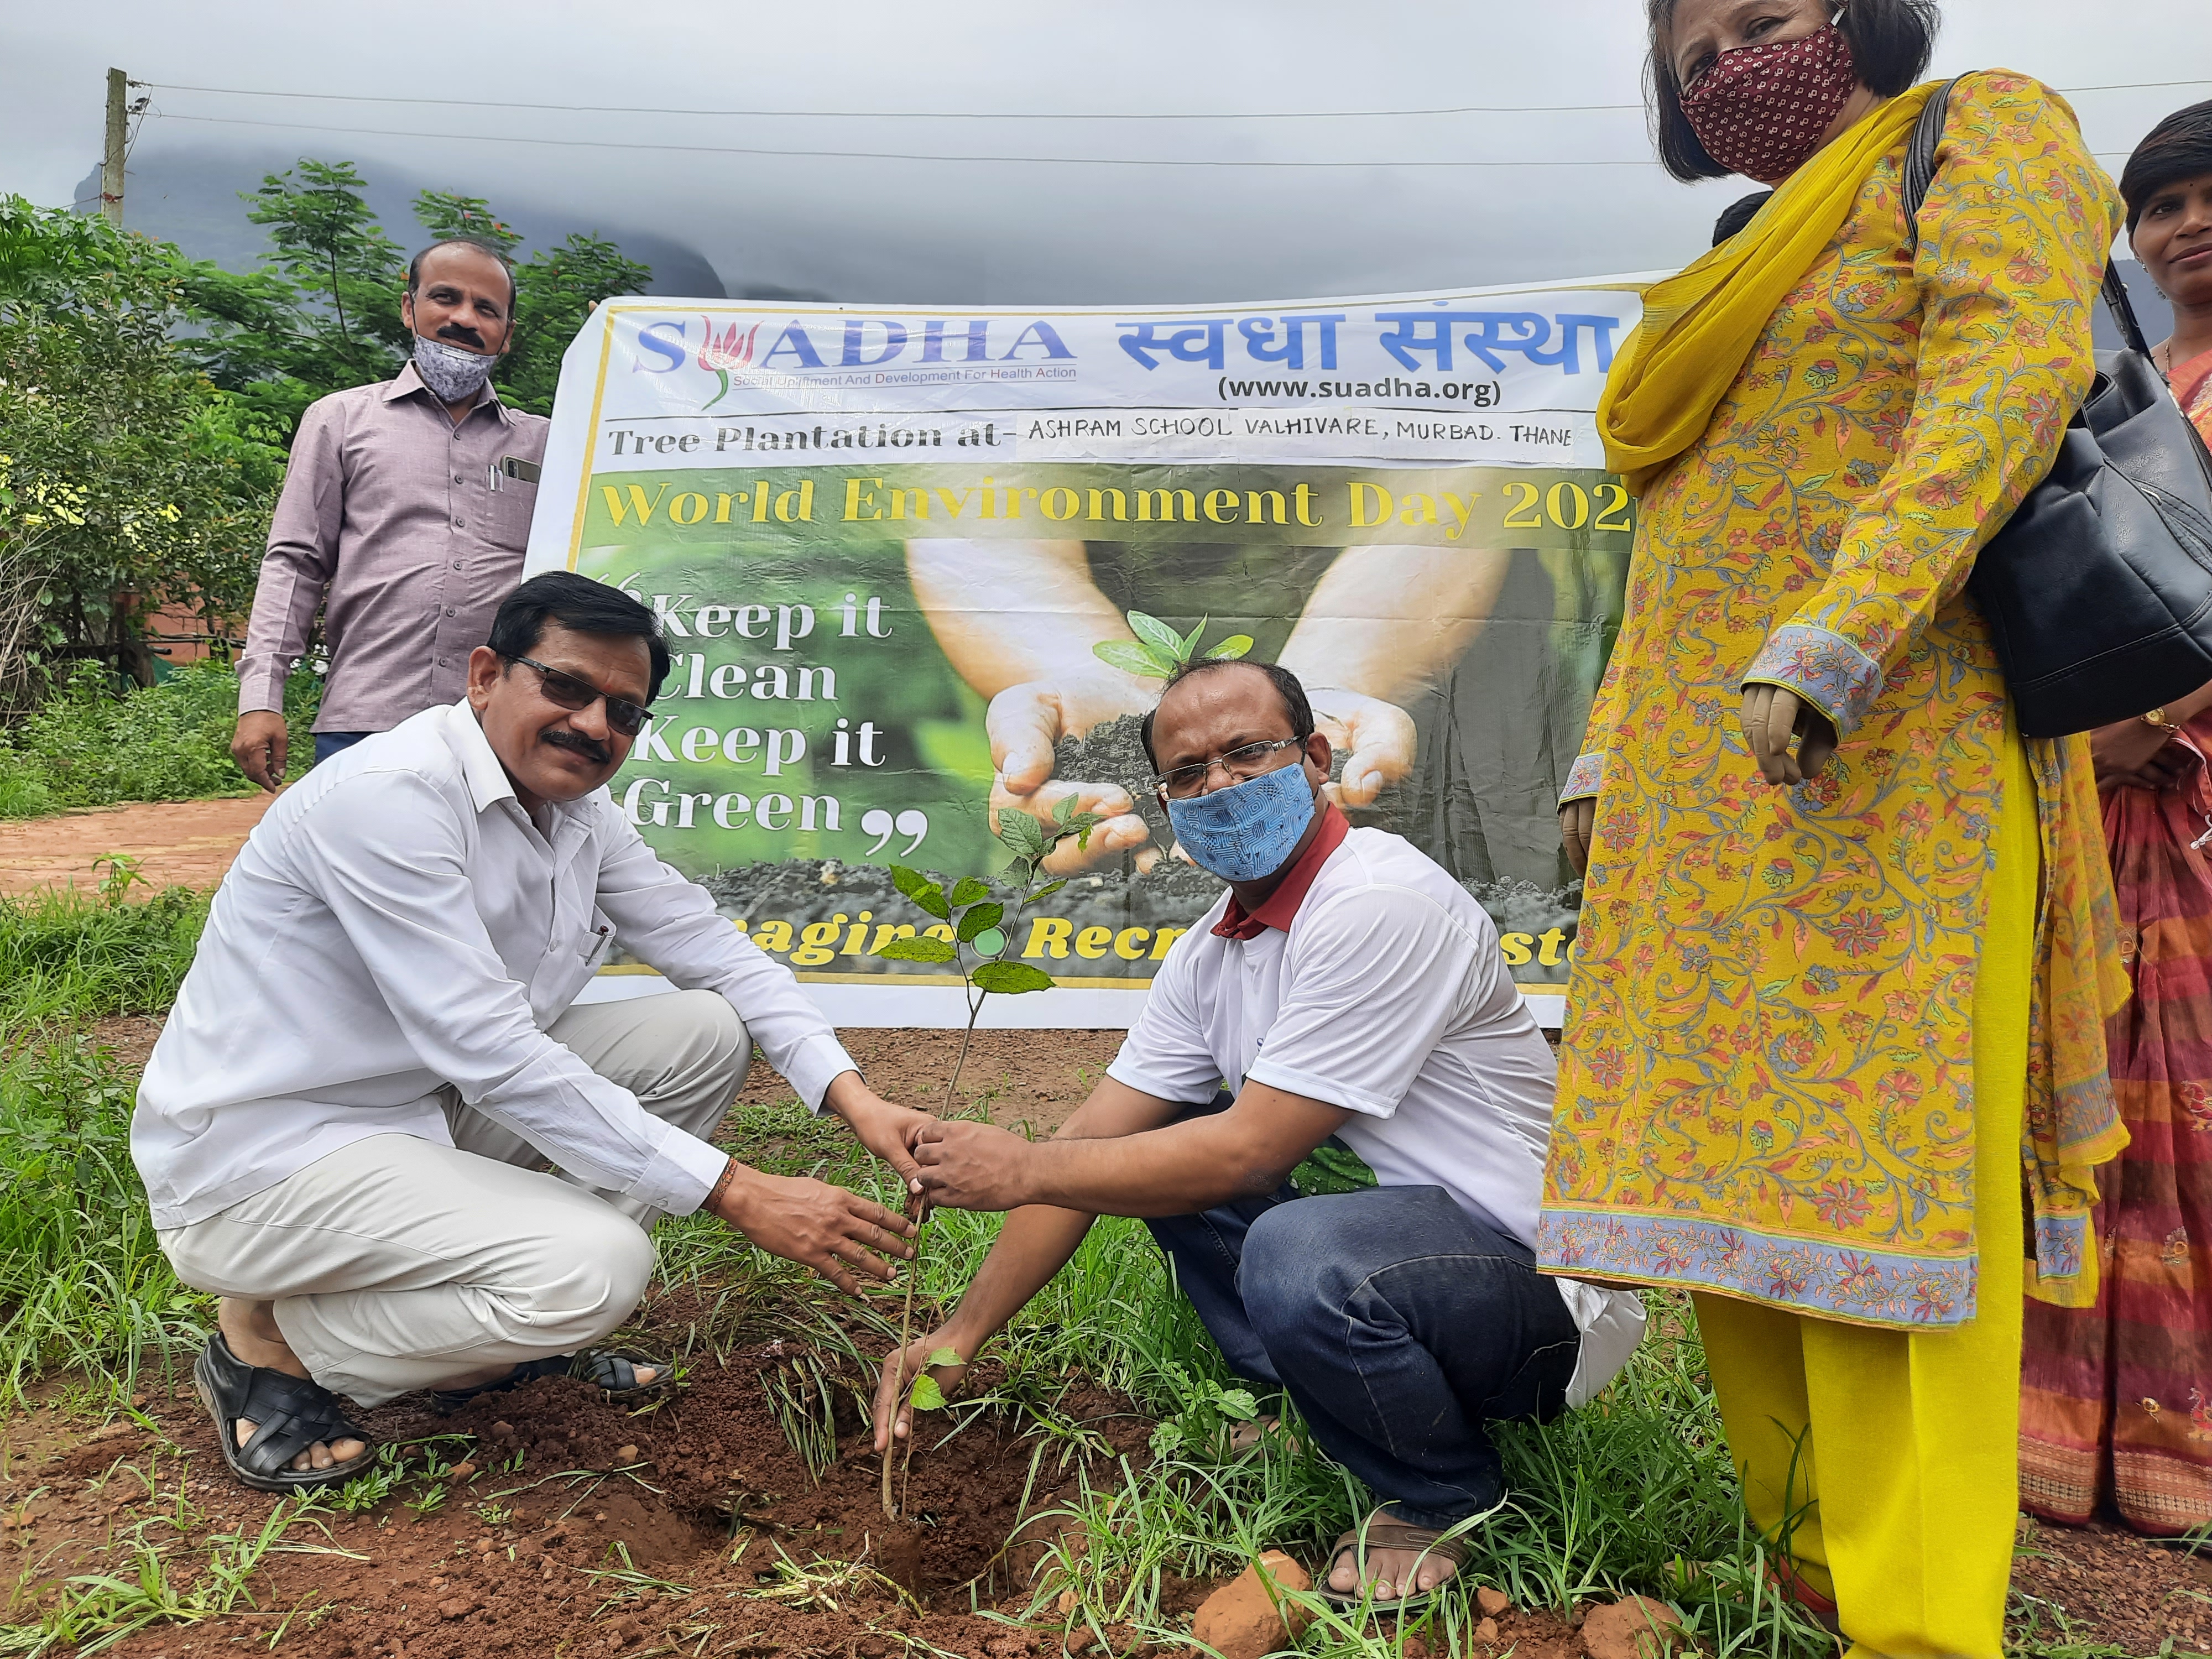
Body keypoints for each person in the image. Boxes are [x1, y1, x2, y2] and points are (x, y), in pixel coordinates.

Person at [1544, 1, 2128, 1651]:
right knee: (1736, 1192)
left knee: (1891, 1201)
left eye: (1768, 14)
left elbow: (2007, 384)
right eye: (1694, 43)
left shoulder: (1983, 129)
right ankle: (1815, 1593)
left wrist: (1835, 638)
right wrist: (1606, 766)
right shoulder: (1740, 256)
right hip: (1695, 800)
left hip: (1894, 760)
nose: (1729, 59)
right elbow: (1673, 564)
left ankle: (1925, 1629)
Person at [869, 657, 1645, 1605]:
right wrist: (959, 1334)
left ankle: (1438, 1494)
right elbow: (1090, 1144)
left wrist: (1026, 1164)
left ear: (1316, 757)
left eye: (1247, 753)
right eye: (1188, 773)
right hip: (1406, 1259)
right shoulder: (1214, 952)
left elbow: (1251, 1153)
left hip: (1536, 1294)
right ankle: (1316, 1398)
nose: (1219, 786)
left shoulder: (1376, 904)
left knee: (1286, 1237)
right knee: (1144, 1151)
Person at [138, 572, 930, 1493]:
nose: (596, 726)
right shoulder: (390, 797)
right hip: (268, 1157)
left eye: (625, 711)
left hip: (413, 1115)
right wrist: (738, 1191)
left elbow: (718, 952)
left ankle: (493, 1333)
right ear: (485, 676)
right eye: (566, 687)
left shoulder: (578, 816)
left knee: (705, 1031)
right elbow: (491, 1049)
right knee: (598, 1271)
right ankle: (270, 1341)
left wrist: (854, 1098)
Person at [2019, 99, 2212, 1537]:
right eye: (2161, 207)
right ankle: (2076, 1442)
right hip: (2103, 807)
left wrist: (2123, 737)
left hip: (2182, 804)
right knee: (2102, 1123)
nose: (2189, 224)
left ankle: (2181, 1444)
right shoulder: (2132, 380)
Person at [231, 238, 550, 787]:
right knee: (354, 870)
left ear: (508, 333)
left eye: (486, 309)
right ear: (409, 307)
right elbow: (295, 565)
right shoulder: (340, 420)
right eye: (444, 298)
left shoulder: (546, 445)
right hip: (366, 718)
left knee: (497, 874)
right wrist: (260, 699)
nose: (463, 319)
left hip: (501, 729)